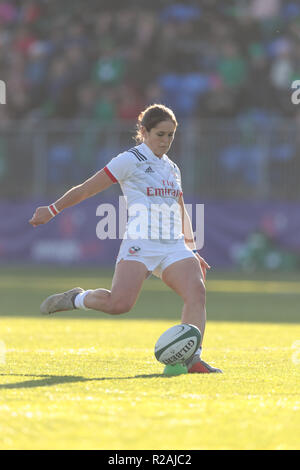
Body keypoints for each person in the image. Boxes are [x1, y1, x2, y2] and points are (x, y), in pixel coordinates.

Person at [29, 104, 222, 374]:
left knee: (197, 292)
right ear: (143, 132)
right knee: (119, 304)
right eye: (160, 134)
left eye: (171, 135)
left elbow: (179, 207)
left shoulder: (172, 168)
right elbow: (86, 189)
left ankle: (192, 358)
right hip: (141, 242)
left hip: (172, 244)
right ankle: (77, 298)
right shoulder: (129, 160)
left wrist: (191, 248)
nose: (166, 141)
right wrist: (52, 210)